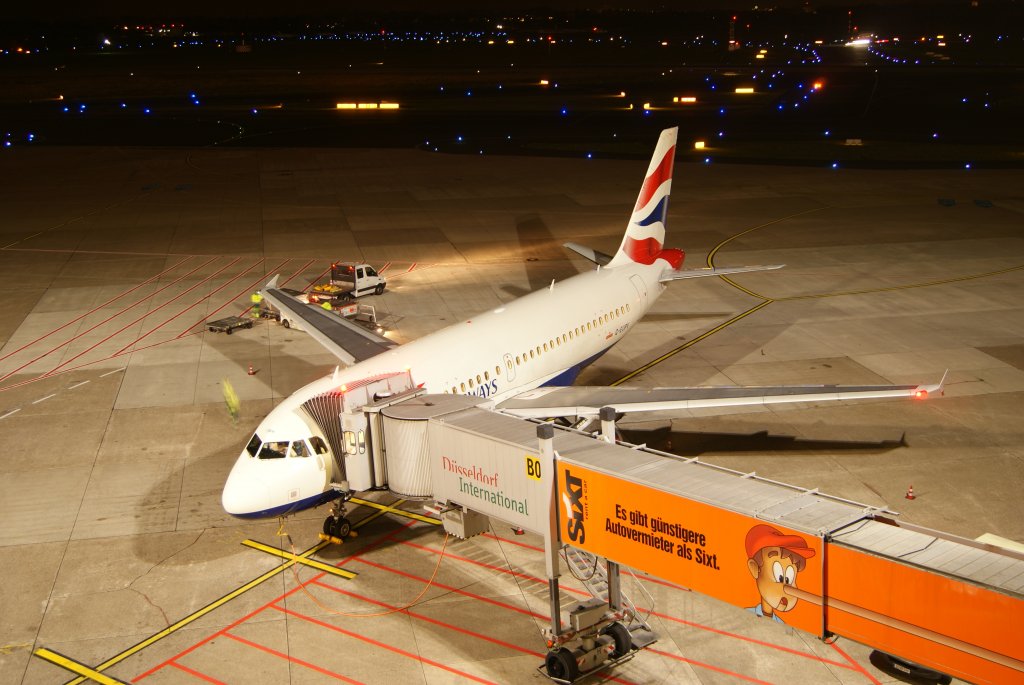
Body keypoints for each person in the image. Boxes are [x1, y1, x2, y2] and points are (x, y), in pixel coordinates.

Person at [744, 524, 816, 624]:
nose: (787, 588)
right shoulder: (745, 616)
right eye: (780, 577)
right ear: (754, 568)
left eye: (789, 579)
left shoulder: (782, 624)